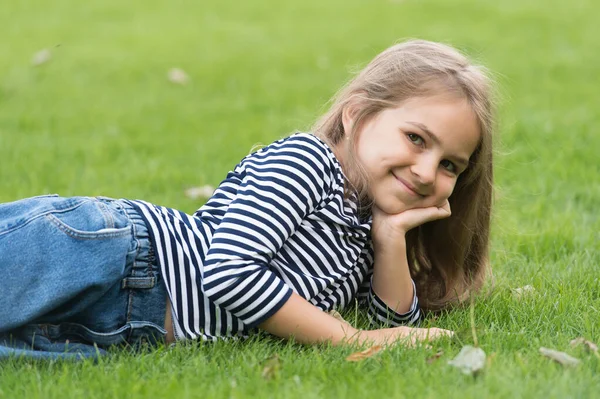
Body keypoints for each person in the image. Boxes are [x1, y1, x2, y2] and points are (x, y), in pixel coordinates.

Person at [0, 39, 494, 360]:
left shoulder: (363, 227)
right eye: (416, 138)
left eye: (451, 164)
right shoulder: (306, 162)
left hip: (130, 328)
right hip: (112, 256)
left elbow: (391, 325)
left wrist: (389, 239)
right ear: (357, 115)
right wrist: (350, 339)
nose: (428, 172)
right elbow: (229, 273)